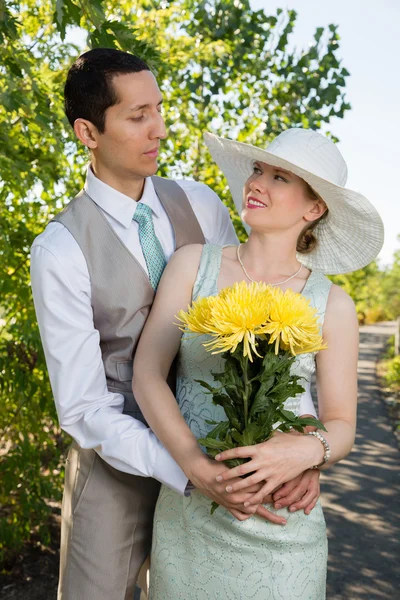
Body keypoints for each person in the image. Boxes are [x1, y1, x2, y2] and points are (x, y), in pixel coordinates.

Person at [30, 49, 319, 600]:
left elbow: (263, 328)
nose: (159, 129)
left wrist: (299, 440)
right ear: (88, 131)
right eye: (137, 116)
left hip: (220, 445)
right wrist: (188, 469)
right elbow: (84, 409)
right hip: (119, 469)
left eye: (158, 110)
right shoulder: (60, 249)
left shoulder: (199, 203)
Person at [132, 127, 384, 599]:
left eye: (280, 177)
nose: (257, 183)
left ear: (314, 209)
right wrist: (194, 468)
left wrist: (310, 453)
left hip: (284, 522)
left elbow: (342, 422)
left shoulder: (334, 304)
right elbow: (148, 374)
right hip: (192, 510)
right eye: (257, 169)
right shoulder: (193, 266)